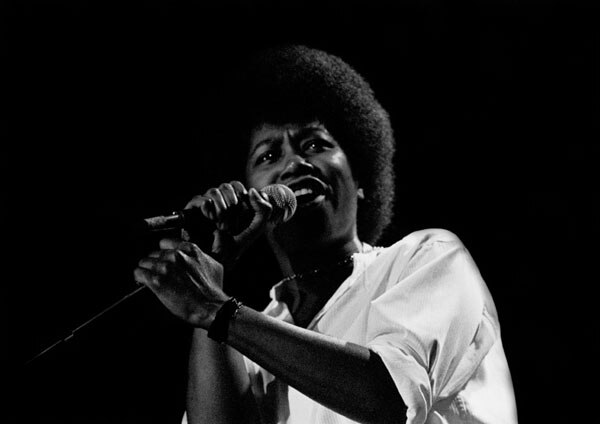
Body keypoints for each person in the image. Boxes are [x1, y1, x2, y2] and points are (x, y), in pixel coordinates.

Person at [134, 45, 517, 424]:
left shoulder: (426, 258)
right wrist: (215, 277)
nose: (294, 163)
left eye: (316, 144)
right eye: (268, 156)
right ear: (248, 188)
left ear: (361, 177)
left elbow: (389, 398)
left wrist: (216, 311)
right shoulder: (249, 335)